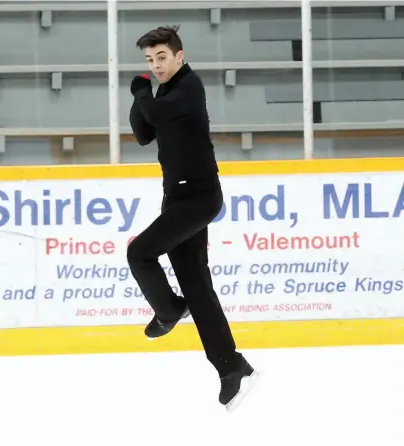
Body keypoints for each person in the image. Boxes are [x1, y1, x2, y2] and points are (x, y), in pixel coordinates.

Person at [127, 25, 259, 412]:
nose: (156, 66)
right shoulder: (164, 90)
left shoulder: (188, 86)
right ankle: (231, 365)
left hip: (199, 198)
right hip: (178, 197)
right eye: (150, 61)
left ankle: (169, 310)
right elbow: (141, 133)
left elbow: (153, 111)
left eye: (161, 58)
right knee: (198, 287)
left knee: (140, 254)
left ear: (179, 56)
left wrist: (139, 90)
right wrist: (143, 94)